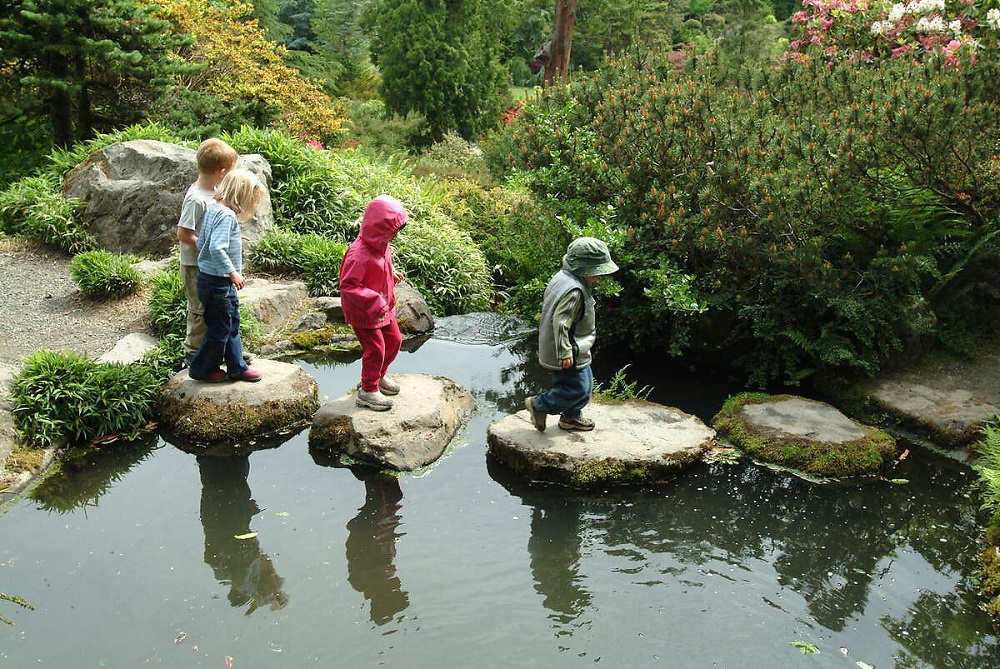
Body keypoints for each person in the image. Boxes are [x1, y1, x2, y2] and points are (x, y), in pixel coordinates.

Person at [524, 237, 619, 432]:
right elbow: (561, 323)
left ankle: (571, 416)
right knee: (575, 388)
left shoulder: (564, 277)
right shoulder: (574, 291)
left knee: (586, 384)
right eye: (597, 271)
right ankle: (538, 405)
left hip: (576, 347)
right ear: (584, 269)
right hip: (567, 349)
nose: (599, 276)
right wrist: (565, 351)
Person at [188, 168, 265, 383]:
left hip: (208, 280)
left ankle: (236, 366)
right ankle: (202, 367)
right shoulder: (227, 215)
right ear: (240, 195)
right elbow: (215, 248)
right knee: (221, 328)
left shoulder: (214, 209)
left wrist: (234, 236)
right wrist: (233, 273)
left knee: (230, 323)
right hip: (219, 283)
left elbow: (203, 242)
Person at [339, 195, 408, 411]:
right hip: (365, 311)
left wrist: (391, 273)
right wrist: (375, 300)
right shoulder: (358, 255)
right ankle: (368, 390)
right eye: (393, 231)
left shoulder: (381, 244)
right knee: (376, 348)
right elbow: (349, 285)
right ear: (378, 228)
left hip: (383, 308)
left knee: (395, 340)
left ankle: (378, 376)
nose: (395, 236)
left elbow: (381, 266)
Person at [177, 138, 239, 366]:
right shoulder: (196, 199)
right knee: (199, 310)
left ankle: (219, 352)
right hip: (195, 264)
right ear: (222, 171)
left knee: (218, 309)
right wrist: (210, 247)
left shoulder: (215, 191)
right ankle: (193, 355)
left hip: (212, 265)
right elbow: (183, 234)